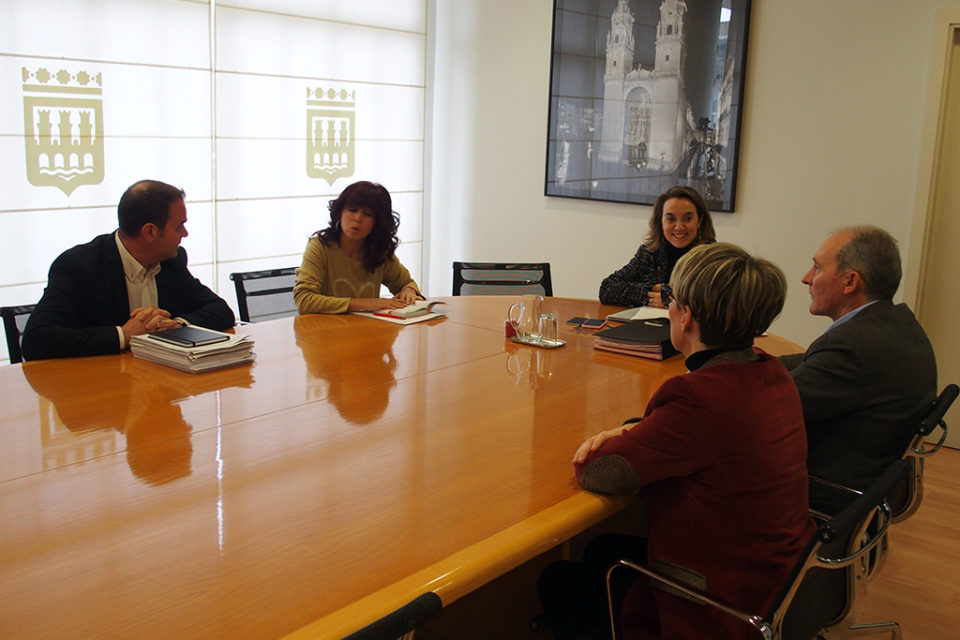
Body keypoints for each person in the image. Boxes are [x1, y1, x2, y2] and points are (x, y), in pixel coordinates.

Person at [541, 243, 815, 640]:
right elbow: (690, 434)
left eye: (672, 299)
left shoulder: (698, 398)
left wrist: (622, 434)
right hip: (779, 582)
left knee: (557, 580)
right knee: (601, 549)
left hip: (718, 603)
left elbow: (601, 472)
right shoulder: (771, 372)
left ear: (685, 316)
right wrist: (636, 429)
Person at [779, 225, 937, 496]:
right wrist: (753, 363)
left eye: (817, 267)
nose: (806, 278)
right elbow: (812, 360)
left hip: (829, 488)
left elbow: (770, 409)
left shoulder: (852, 346)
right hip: (875, 478)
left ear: (850, 282)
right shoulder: (895, 323)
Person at [21, 180, 235, 361]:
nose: (185, 234)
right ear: (150, 232)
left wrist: (175, 326)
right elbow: (36, 340)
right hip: (101, 387)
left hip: (162, 381)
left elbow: (221, 310)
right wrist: (125, 334)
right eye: (179, 226)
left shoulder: (172, 261)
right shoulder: (79, 265)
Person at [294, 181, 422, 314]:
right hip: (325, 327)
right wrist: (365, 304)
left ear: (377, 222)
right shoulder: (320, 246)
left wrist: (409, 291)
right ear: (340, 212)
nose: (358, 218)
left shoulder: (379, 251)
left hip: (367, 326)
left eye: (367, 214)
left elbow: (406, 283)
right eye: (352, 210)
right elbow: (304, 300)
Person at [598, 185, 716, 308]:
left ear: (700, 220)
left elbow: (712, 300)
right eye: (671, 219)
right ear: (661, 222)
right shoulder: (650, 252)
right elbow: (607, 289)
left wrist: (671, 300)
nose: (679, 227)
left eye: (688, 218)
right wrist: (654, 292)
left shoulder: (712, 257)